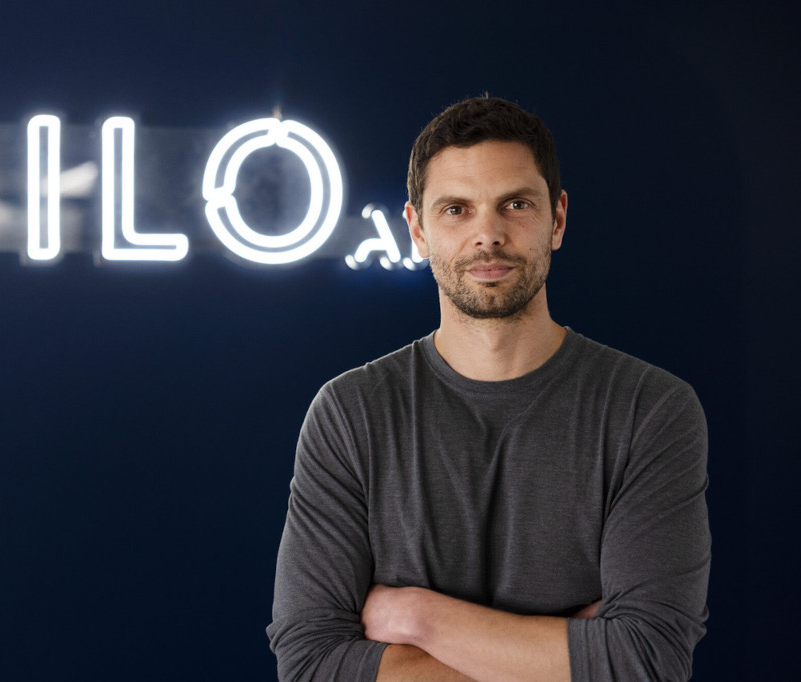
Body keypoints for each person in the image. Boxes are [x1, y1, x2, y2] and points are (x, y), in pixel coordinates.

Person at [266, 96, 710, 681]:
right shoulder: (351, 414)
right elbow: (311, 662)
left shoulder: (649, 411)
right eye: (456, 209)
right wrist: (568, 656)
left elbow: (646, 661)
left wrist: (421, 618)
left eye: (516, 204)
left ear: (557, 219)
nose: (488, 235)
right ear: (417, 231)